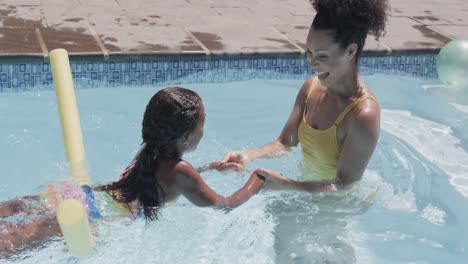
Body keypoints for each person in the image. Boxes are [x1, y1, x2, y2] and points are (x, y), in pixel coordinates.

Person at [1, 87, 265, 256]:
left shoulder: (148, 151)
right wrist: (258, 180)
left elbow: (166, 178)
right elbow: (225, 204)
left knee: (16, 208)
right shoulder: (181, 171)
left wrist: (209, 169)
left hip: (81, 195)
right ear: (184, 137)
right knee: (18, 240)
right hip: (94, 217)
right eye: (202, 124)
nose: (203, 131)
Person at [212, 0, 389, 192]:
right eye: (309, 53)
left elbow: (344, 186)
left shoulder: (363, 114)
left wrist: (287, 185)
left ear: (350, 51)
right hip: (305, 191)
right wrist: (249, 155)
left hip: (339, 210)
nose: (312, 63)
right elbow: (284, 144)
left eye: (322, 56)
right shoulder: (310, 87)